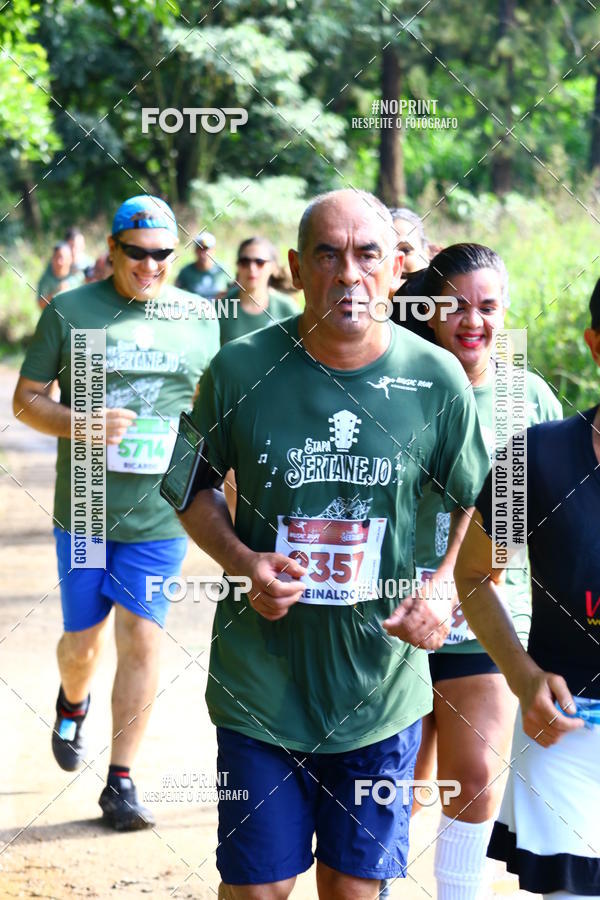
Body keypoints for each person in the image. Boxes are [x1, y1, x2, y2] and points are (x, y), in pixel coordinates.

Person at [170, 189, 491, 899]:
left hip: (379, 689)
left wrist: (440, 582)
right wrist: (245, 561)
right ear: (297, 265)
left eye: (367, 254)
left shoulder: (435, 379)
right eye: (328, 254)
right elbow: (187, 486)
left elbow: (476, 497)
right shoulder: (240, 370)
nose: (349, 273)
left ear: (395, 270)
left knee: (351, 889)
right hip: (261, 684)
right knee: (259, 889)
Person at [13, 195, 220, 831]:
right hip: (85, 509)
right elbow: (25, 401)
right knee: (82, 643)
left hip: (160, 515)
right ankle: (72, 699)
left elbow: (213, 408)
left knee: (142, 636)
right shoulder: (73, 310)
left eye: (163, 254)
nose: (151, 265)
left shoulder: (199, 315)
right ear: (112, 251)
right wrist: (82, 424)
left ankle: (121, 780)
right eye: (138, 253)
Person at [406, 244, 562, 900]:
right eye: (457, 305)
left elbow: (568, 502)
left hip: (489, 618)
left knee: (472, 783)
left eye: (489, 306)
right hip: (396, 618)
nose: (474, 319)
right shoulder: (397, 379)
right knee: (394, 792)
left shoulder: (528, 395)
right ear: (431, 311)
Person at [454, 283, 600, 899]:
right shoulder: (533, 459)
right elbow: (471, 575)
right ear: (596, 344)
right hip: (569, 724)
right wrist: (521, 674)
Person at [217, 236, 298, 345]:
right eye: (245, 261)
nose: (252, 268)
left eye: (260, 262)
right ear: (237, 265)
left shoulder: (287, 308)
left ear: (273, 267)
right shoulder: (221, 308)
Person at [175, 230, 228, 299]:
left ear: (213, 250)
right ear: (195, 250)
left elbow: (234, 288)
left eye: (206, 249)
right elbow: (176, 293)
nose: (203, 254)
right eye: (200, 249)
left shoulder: (222, 270)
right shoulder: (186, 272)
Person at [37, 242, 83, 310]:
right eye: (56, 257)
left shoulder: (78, 276)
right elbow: (40, 305)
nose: (59, 262)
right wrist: (56, 293)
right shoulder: (46, 279)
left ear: (70, 259)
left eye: (62, 258)